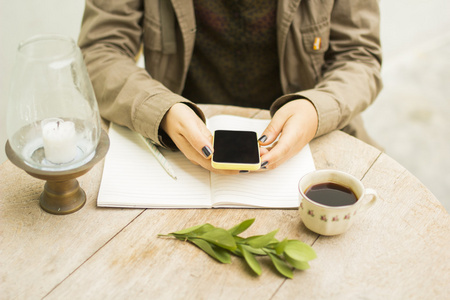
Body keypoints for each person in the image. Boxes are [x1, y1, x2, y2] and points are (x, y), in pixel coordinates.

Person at [78, 0, 382, 174]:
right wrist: (160, 109)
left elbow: (359, 57)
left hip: (312, 136)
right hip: (178, 138)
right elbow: (99, 50)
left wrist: (316, 108)